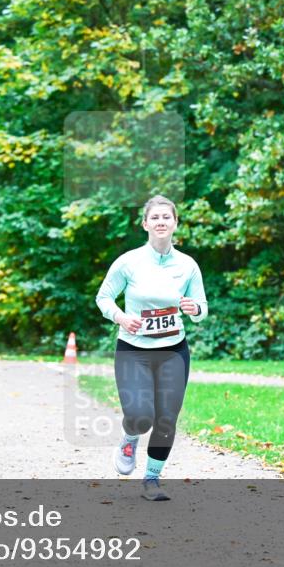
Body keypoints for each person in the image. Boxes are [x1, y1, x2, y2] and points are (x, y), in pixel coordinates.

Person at [95, 195, 208, 501]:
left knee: (166, 418)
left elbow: (202, 310)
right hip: (133, 350)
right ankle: (130, 437)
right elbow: (103, 298)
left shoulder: (187, 266)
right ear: (145, 224)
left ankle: (152, 480)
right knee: (141, 416)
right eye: (155, 217)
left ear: (175, 223)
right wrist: (120, 316)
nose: (161, 222)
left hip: (173, 351)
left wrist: (193, 308)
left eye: (166, 217)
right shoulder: (128, 262)